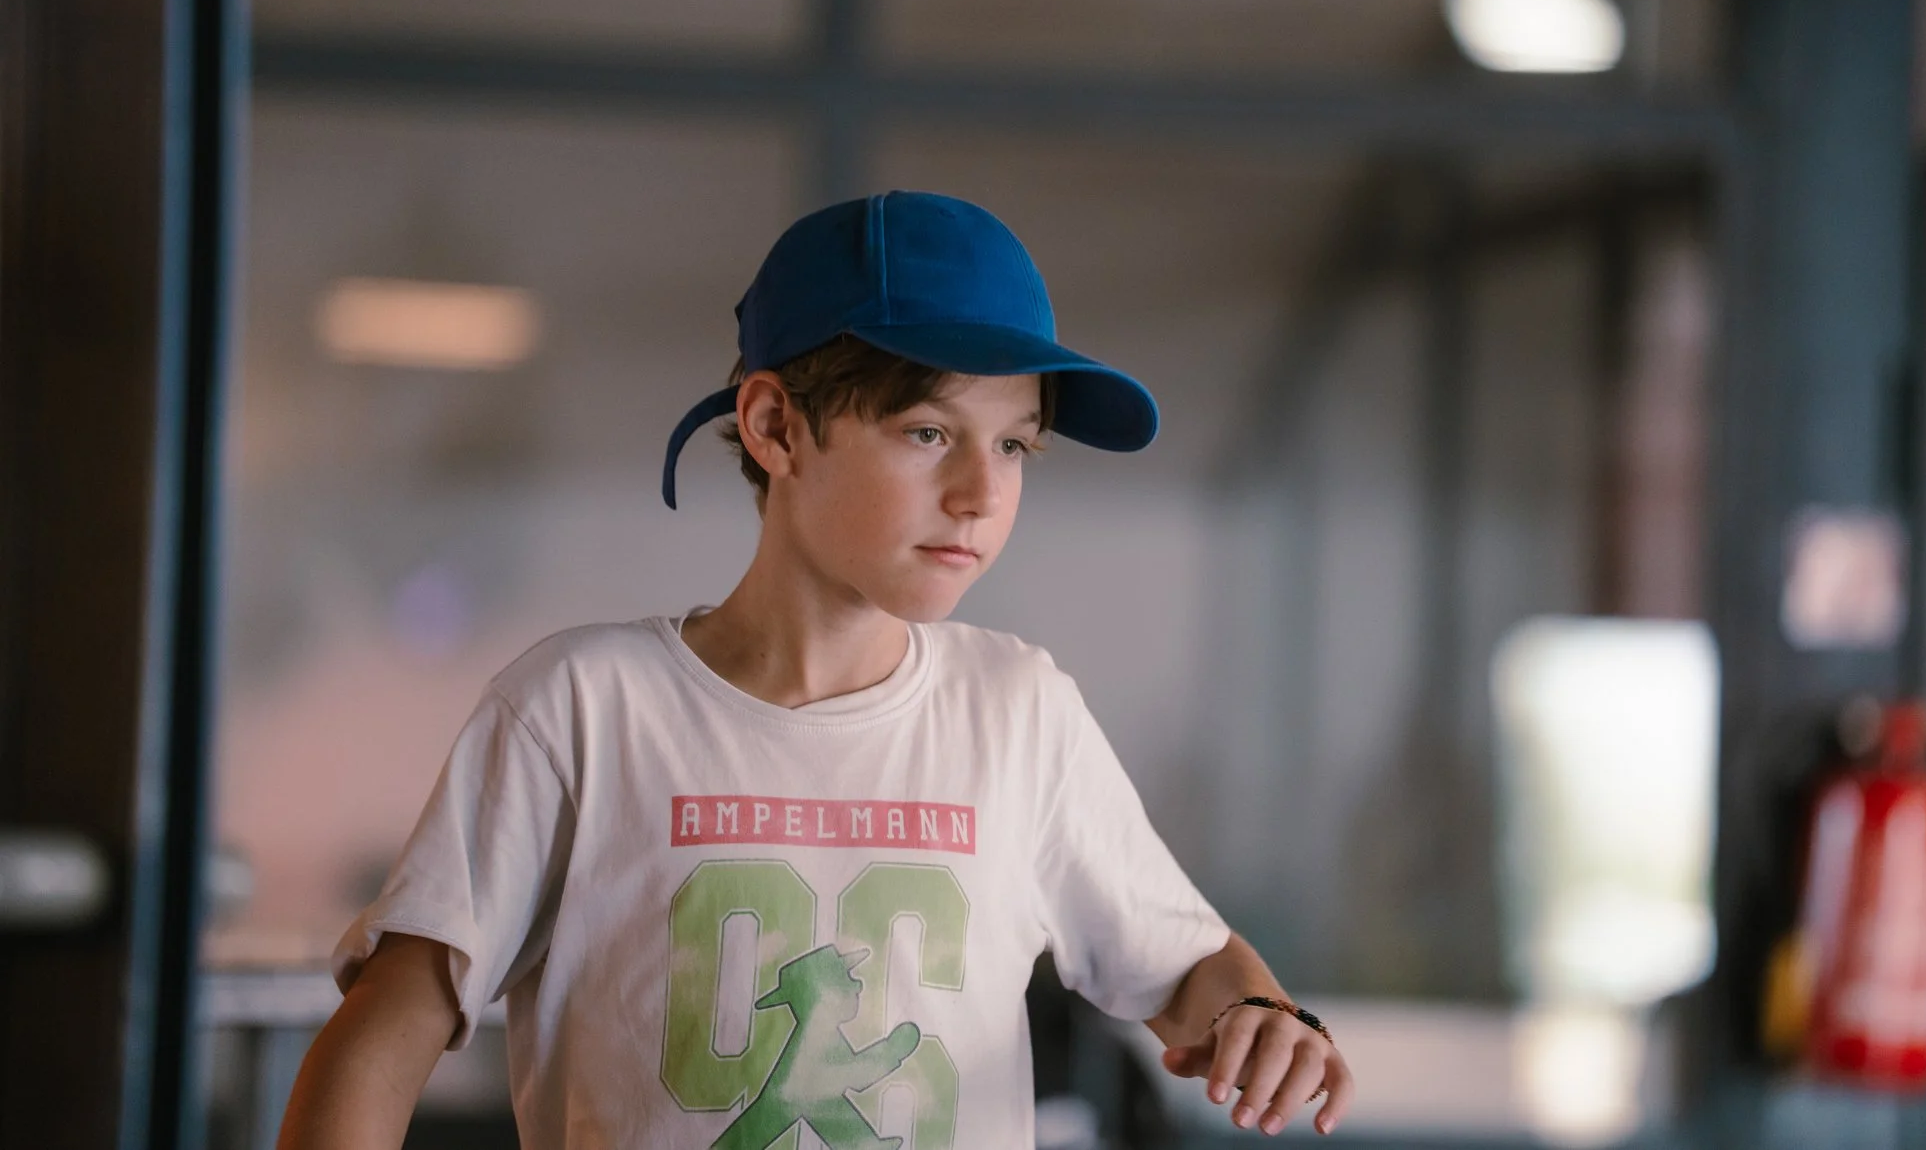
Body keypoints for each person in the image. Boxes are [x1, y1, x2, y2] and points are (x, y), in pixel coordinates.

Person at [277, 191, 1354, 1149]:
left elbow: (1189, 966)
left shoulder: (1018, 712)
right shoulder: (580, 709)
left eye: (1013, 445)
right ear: (775, 427)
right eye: (928, 433)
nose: (981, 494)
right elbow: (381, 1038)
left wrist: (1259, 1017)